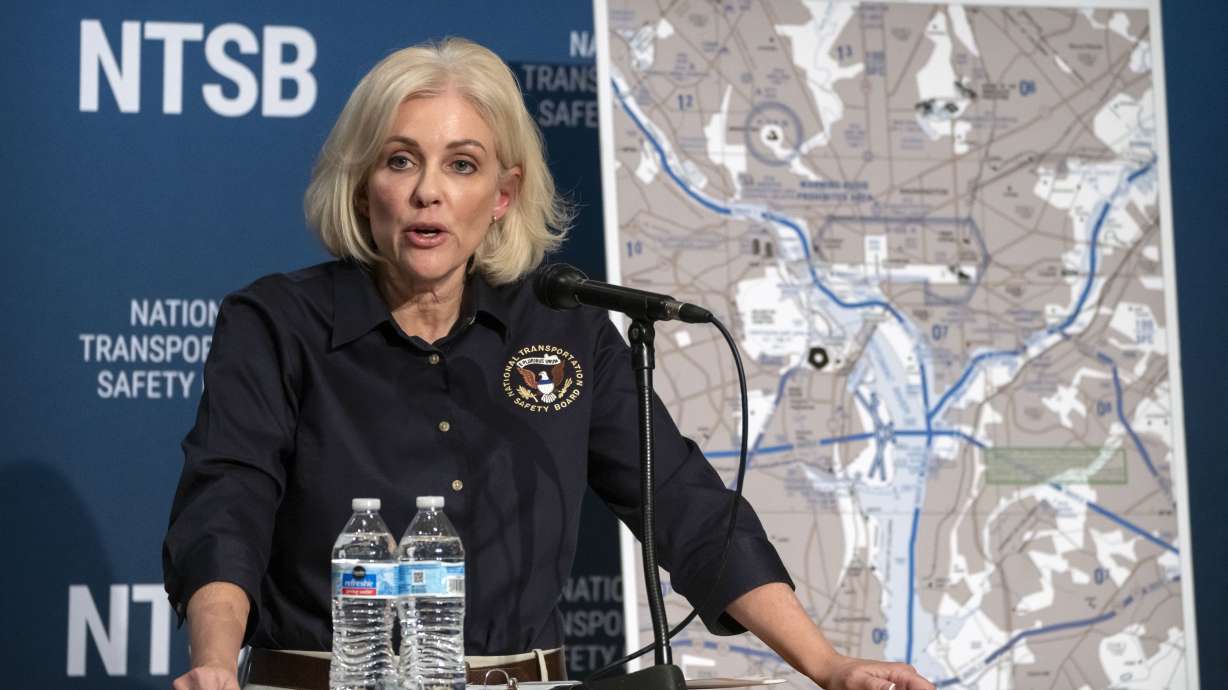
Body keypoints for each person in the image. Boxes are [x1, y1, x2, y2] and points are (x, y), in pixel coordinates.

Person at [163, 37, 934, 690]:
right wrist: (213, 664)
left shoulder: (565, 329)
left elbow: (686, 505)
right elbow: (227, 505)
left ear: (503, 195)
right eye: (401, 161)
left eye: (461, 166)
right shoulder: (276, 323)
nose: (429, 192)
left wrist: (827, 665)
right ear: (366, 188)